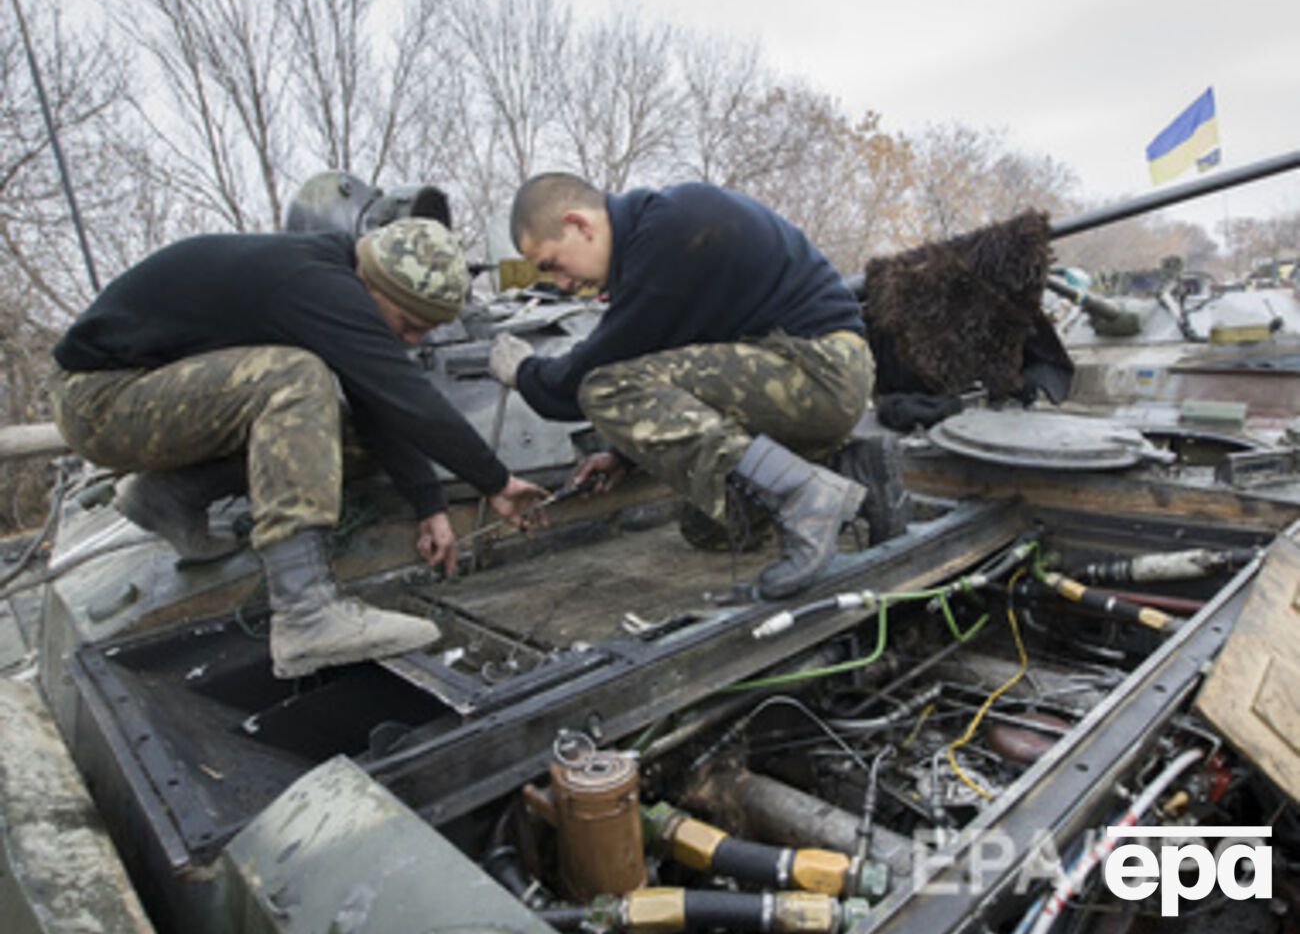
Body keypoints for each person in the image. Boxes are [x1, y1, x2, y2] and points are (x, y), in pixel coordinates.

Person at [50, 218, 548, 678]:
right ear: (374, 285)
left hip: (147, 395)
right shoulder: (317, 285)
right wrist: (498, 481)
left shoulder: (333, 271)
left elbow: (377, 401)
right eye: (408, 321)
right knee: (295, 378)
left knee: (341, 433)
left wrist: (428, 504)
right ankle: (306, 614)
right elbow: (407, 396)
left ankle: (171, 496)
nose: (412, 338)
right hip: (102, 400)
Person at [489, 173, 876, 599]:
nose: (561, 284)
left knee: (604, 388)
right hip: (804, 380)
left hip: (820, 370)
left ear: (580, 225)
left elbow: (586, 378)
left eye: (552, 264)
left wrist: (523, 371)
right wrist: (624, 455)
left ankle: (801, 493)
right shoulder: (661, 238)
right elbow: (686, 367)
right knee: (713, 528)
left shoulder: (668, 230)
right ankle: (849, 472)